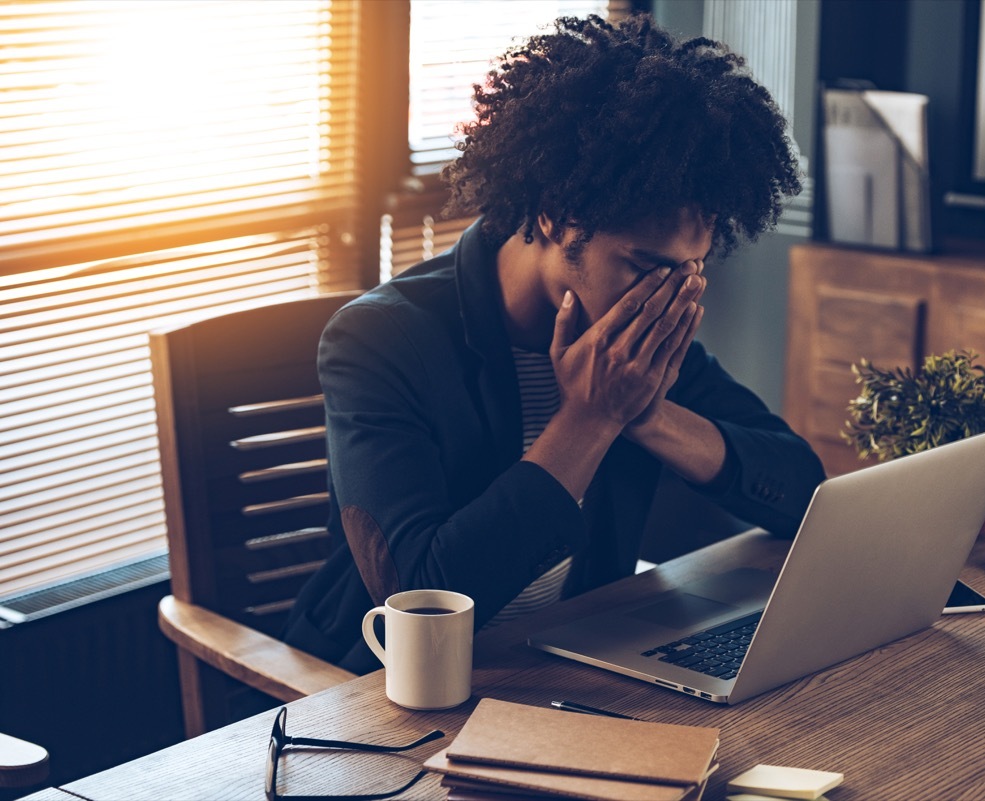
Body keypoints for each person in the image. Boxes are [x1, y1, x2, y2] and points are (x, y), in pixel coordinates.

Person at [283, 13, 825, 672]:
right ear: (553, 214)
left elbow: (802, 491)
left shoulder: (632, 344)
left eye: (693, 269)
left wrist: (649, 417)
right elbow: (419, 605)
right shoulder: (382, 340)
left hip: (569, 665)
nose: (672, 297)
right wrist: (590, 419)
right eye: (649, 266)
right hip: (389, 693)